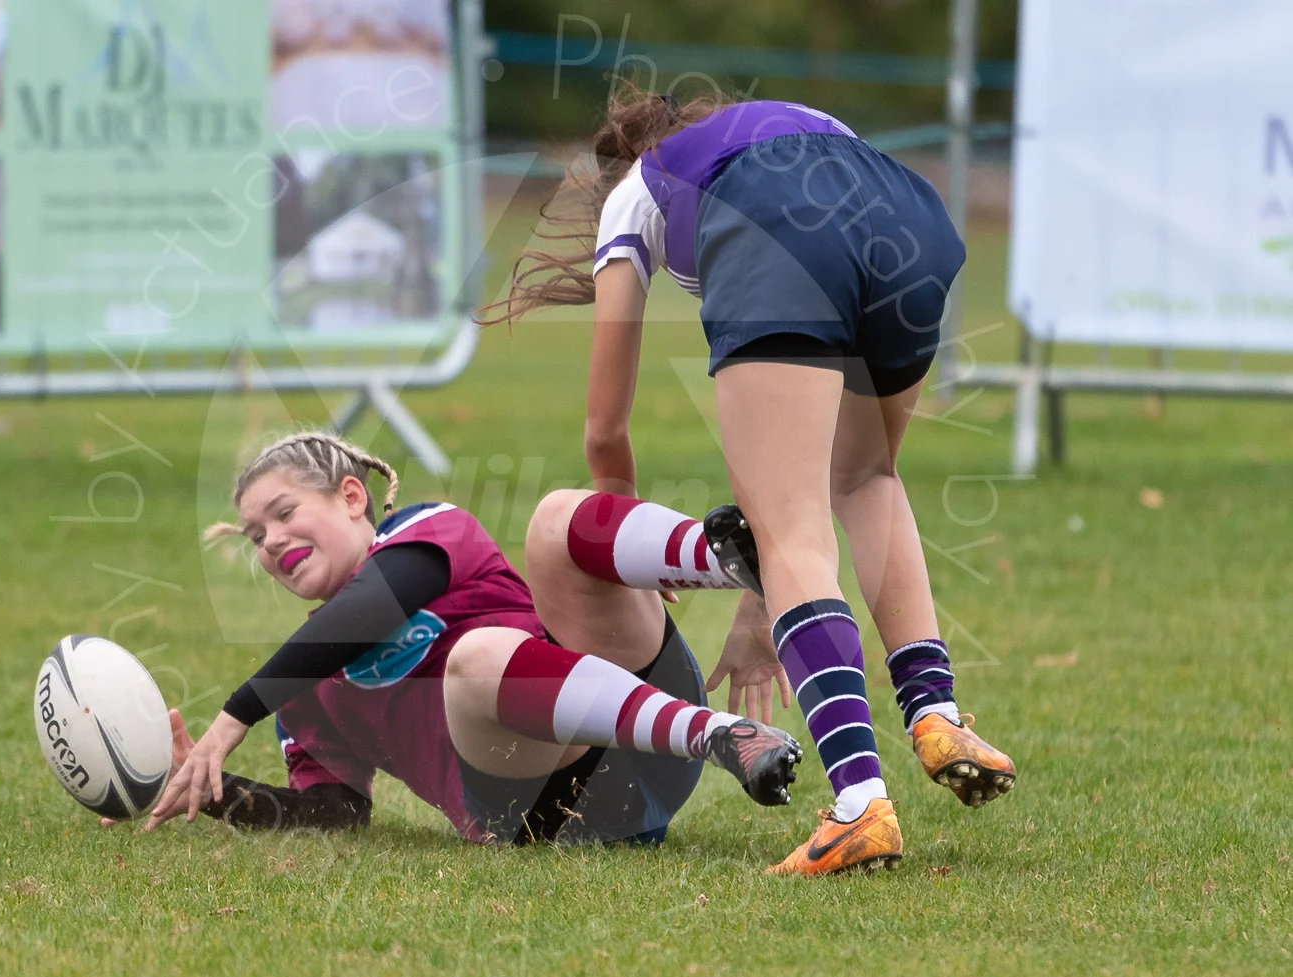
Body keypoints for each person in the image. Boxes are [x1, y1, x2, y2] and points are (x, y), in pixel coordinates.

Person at [481, 86, 1016, 875]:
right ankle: (935, 713)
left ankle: (859, 805)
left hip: (776, 224)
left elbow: (605, 426)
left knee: (792, 527)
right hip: (913, 219)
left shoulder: (638, 189)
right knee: (867, 476)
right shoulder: (795, 120)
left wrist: (619, 536)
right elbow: (834, 217)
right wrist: (758, 601)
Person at [135, 430, 802, 847]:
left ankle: (738, 558)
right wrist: (210, 789)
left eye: (283, 514)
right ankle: (716, 733)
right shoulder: (304, 688)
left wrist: (235, 714)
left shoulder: (430, 530)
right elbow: (333, 815)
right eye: (255, 537)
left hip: (636, 732)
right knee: (476, 660)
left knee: (550, 520)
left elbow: (374, 604)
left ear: (350, 497)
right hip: (551, 811)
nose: (271, 541)